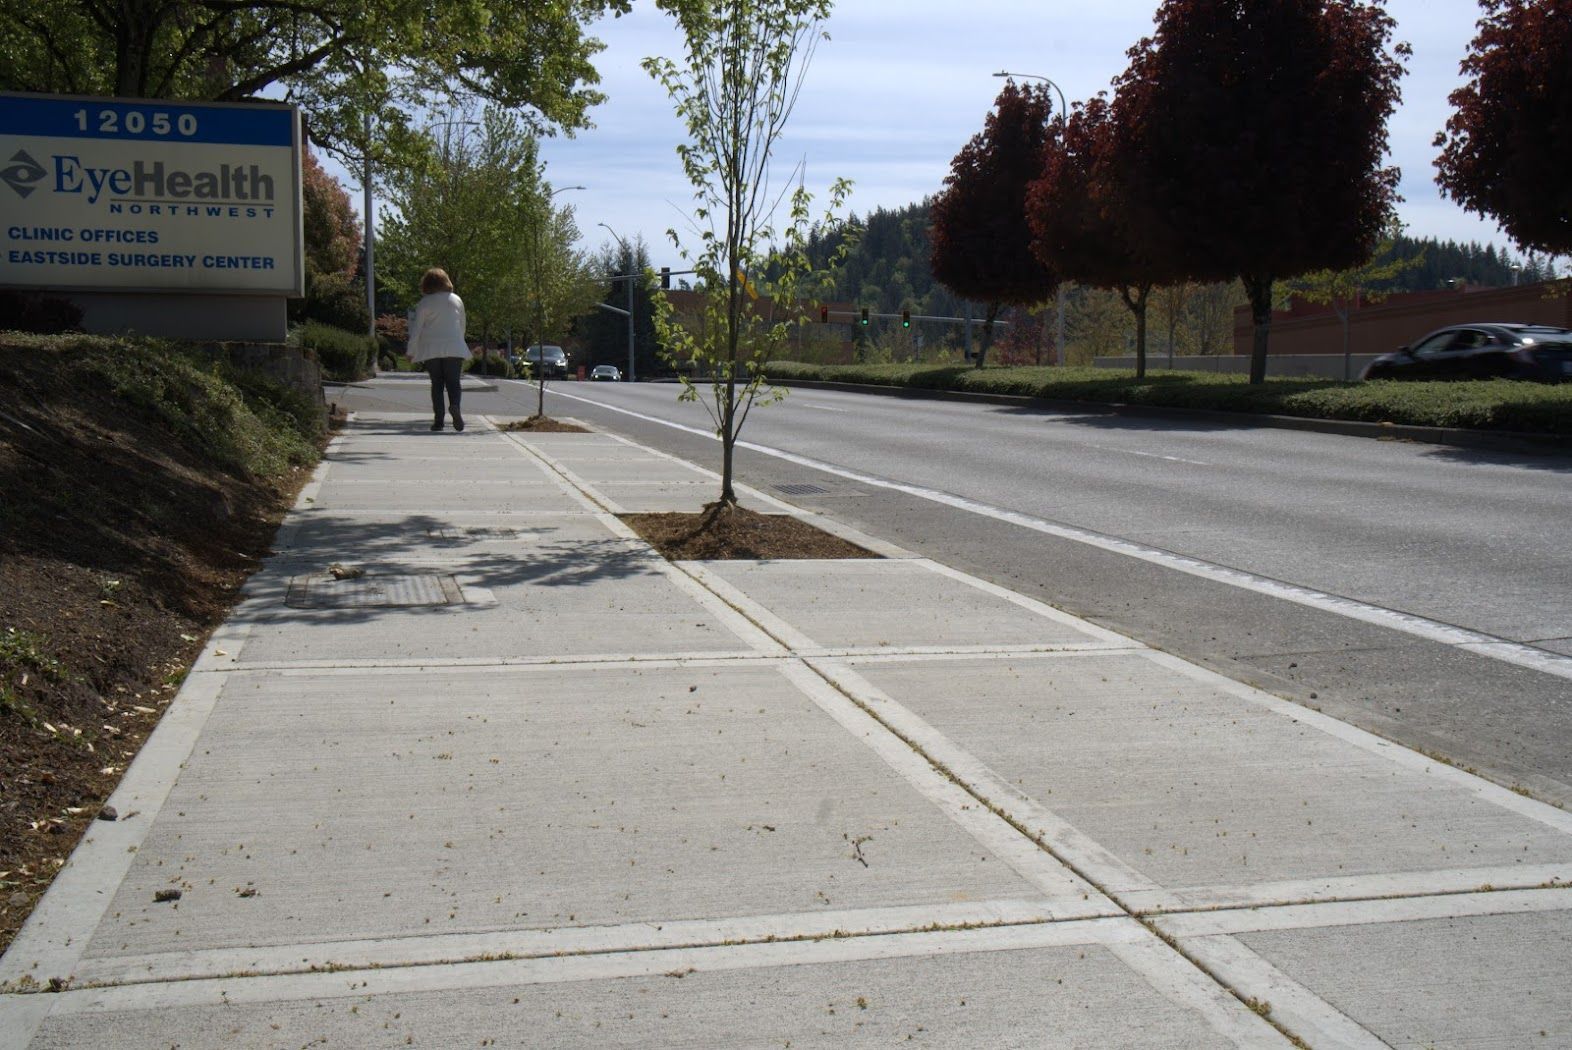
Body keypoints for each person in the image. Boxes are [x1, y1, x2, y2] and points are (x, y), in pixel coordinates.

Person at [405, 268, 469, 432]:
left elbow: (417, 329)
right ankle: (455, 406)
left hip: (431, 348)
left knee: (437, 384)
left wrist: (411, 351)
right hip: (454, 347)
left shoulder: (425, 302)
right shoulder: (456, 300)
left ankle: (438, 421)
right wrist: (459, 340)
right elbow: (462, 325)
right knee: (454, 383)